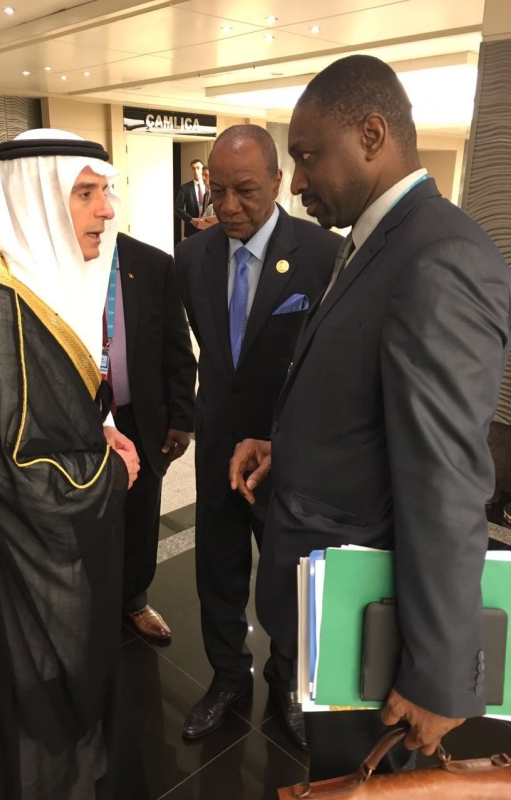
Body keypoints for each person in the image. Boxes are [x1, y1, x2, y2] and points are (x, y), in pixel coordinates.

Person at [229, 55, 511, 782]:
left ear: (372, 135)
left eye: (306, 156)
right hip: (335, 605)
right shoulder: (371, 243)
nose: (296, 182)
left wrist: (439, 676)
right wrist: (287, 445)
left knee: (369, 784)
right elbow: (365, 401)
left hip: (377, 626)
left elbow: (446, 481)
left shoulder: (439, 256)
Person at [0, 129, 145, 800]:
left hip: (43, 555)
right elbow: (10, 470)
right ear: (39, 198)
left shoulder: (31, 286)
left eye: (106, 191)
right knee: (31, 727)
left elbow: (40, 407)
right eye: (85, 193)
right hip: (15, 569)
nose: (106, 210)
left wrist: (94, 432)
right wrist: (108, 474)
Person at [176, 124, 341, 748]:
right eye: (217, 190)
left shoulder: (324, 255)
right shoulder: (192, 256)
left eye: (244, 190)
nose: (228, 206)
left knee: (292, 578)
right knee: (216, 571)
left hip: (288, 454)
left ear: (277, 181)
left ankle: (289, 683)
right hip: (219, 444)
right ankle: (227, 678)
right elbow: (214, 353)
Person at [103, 232, 196, 640]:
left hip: (138, 414)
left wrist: (182, 417)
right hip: (78, 419)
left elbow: (178, 349)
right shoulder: (53, 259)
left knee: (140, 515)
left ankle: (134, 599)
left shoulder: (153, 264)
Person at [174, 158, 207, 238]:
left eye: (198, 168)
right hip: (192, 229)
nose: (196, 171)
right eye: (193, 168)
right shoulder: (185, 188)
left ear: (202, 169)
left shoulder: (209, 186)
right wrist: (191, 220)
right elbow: (177, 208)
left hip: (208, 228)